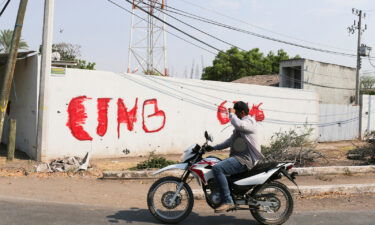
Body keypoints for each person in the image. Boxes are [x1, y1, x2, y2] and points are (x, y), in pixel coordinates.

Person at [206, 101, 264, 212]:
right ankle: (229, 195)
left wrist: (231, 114)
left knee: (217, 168)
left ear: (242, 112)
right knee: (219, 165)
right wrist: (214, 148)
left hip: (246, 160)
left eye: (236, 112)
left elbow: (238, 124)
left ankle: (228, 201)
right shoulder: (241, 125)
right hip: (240, 158)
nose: (234, 114)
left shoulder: (249, 122)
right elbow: (229, 141)